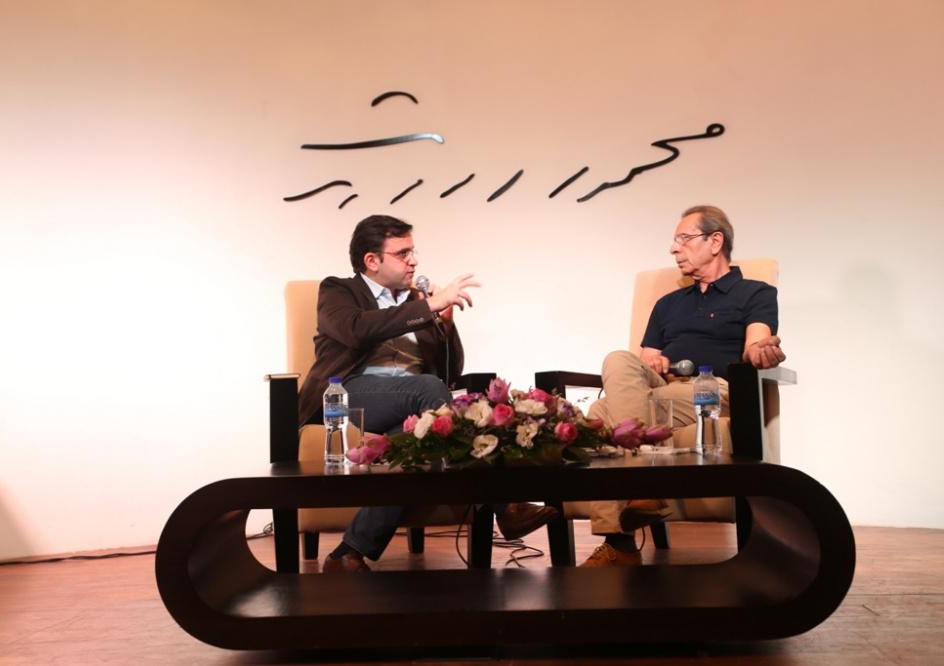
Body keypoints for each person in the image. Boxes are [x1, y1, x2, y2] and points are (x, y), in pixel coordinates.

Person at [299, 214, 557, 572]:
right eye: (402, 253)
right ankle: (505, 507)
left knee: (413, 445)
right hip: (350, 394)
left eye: (413, 251)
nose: (414, 261)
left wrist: (446, 327)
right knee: (427, 389)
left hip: (414, 401)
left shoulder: (418, 300)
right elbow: (355, 330)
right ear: (372, 260)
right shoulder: (339, 290)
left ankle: (348, 552)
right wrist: (427, 307)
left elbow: (449, 374)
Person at [582, 205, 786, 567]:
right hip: (662, 389)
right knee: (617, 359)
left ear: (715, 241)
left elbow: (756, 343)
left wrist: (762, 351)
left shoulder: (755, 293)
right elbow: (646, 358)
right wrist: (655, 363)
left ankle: (621, 543)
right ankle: (641, 496)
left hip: (711, 389)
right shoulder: (668, 304)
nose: (673, 248)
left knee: (599, 414)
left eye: (683, 239)